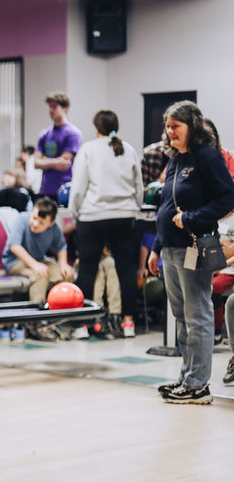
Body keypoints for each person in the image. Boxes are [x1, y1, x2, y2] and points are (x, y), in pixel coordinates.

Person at [149, 101, 234, 404]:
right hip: (171, 246)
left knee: (197, 313)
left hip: (198, 243)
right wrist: (156, 246)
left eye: (176, 126)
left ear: (192, 127)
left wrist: (191, 218)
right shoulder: (175, 159)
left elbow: (227, 198)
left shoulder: (207, 157)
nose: (169, 131)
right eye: (168, 126)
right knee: (180, 315)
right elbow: (167, 204)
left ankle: (199, 385)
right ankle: (187, 377)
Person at [68, 110, 143, 339]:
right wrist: (134, 207)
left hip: (93, 216)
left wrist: (76, 211)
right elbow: (139, 185)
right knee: (126, 270)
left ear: (96, 128)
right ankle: (128, 323)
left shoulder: (88, 149)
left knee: (88, 270)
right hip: (124, 216)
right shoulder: (128, 149)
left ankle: (82, 325)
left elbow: (79, 186)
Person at [3, 196, 75, 313]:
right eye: (34, 218)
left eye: (41, 222)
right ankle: (37, 320)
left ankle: (63, 316)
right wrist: (35, 265)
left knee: (65, 275)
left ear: (51, 223)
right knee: (40, 274)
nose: (35, 223)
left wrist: (63, 264)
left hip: (39, 260)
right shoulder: (22, 219)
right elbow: (14, 246)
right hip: (14, 262)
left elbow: (61, 246)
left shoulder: (55, 227)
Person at [34, 92, 83, 201]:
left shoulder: (73, 133)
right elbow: (36, 163)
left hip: (64, 190)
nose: (51, 110)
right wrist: (56, 161)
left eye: (55, 107)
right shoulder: (44, 134)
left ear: (64, 108)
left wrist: (46, 160)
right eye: (50, 107)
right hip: (45, 190)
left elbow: (64, 164)